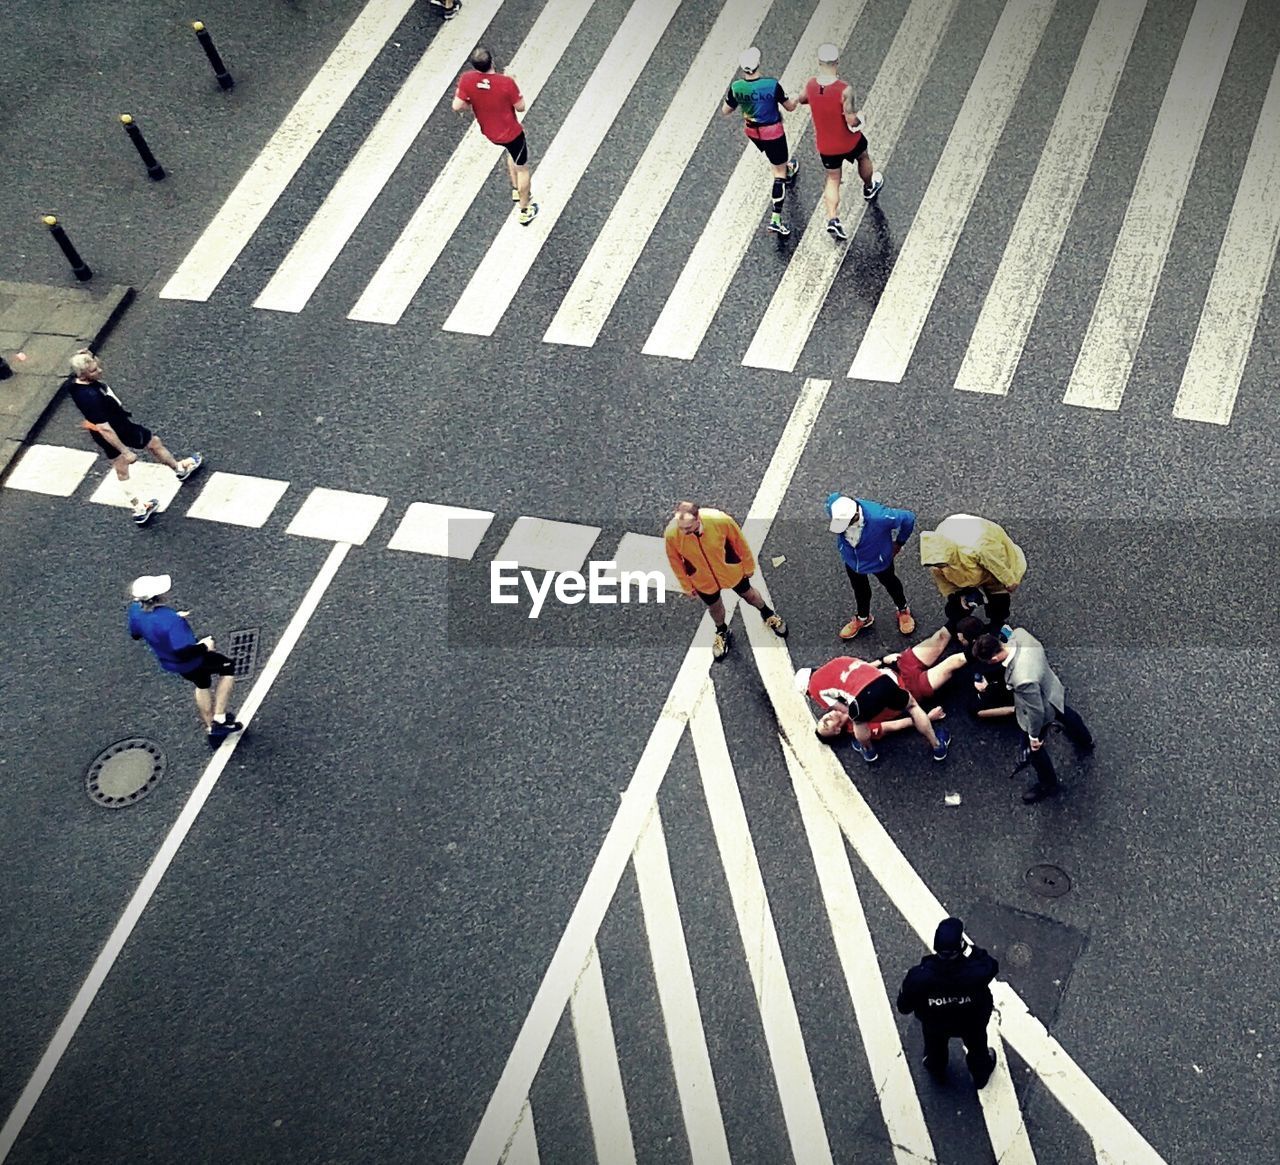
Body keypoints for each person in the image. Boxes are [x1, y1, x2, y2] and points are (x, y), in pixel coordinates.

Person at [64, 350, 202, 526]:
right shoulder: (91, 397)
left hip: (99, 433)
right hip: (119, 429)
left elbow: (100, 429)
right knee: (154, 443)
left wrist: (88, 354)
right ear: (83, 374)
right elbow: (105, 428)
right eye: (93, 370)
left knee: (120, 469)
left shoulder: (73, 384)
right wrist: (125, 451)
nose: (99, 371)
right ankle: (180, 469)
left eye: (96, 366)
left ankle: (139, 509)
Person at [973, 628, 1094, 803]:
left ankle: (1048, 784)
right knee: (1066, 713)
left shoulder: (1022, 679)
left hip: (1041, 706)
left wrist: (1034, 736)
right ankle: (1085, 741)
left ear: (994, 659)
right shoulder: (1021, 634)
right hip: (1050, 687)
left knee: (1033, 750)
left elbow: (1036, 711)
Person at [127, 575, 243, 746]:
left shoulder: (135, 611)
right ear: (158, 597)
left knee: (202, 684)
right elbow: (183, 651)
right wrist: (205, 646)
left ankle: (210, 726)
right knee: (228, 667)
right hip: (192, 661)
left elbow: (136, 634)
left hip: (172, 663)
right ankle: (219, 719)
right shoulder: (170, 620)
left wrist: (171, 621)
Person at [664, 500, 787, 660]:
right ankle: (721, 631)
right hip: (702, 579)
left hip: (730, 570)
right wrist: (686, 585)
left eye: (687, 528)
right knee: (715, 607)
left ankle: (768, 614)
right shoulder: (672, 534)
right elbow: (674, 560)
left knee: (749, 595)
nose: (682, 531)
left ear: (698, 519)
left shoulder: (720, 521)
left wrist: (749, 566)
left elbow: (739, 542)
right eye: (680, 526)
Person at [897, 917, 999, 1088]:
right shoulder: (976, 972)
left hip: (935, 1024)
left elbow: (903, 1007)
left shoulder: (918, 977)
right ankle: (981, 1075)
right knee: (977, 1048)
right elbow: (991, 965)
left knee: (935, 1047)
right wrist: (968, 950)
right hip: (972, 1022)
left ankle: (935, 1067)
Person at [795, 42, 882, 242]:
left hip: (826, 145)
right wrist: (862, 117)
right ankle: (869, 186)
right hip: (848, 141)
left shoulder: (811, 85)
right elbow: (851, 120)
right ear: (837, 62)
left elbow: (801, 99)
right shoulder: (844, 90)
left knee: (833, 178)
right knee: (863, 156)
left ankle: (833, 218)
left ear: (819, 62)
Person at [796, 655, 950, 762]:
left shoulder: (815, 690)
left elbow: (843, 709)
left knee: (858, 721)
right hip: (884, 681)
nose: (826, 717)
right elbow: (862, 668)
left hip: (869, 692)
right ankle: (937, 745)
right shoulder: (837, 661)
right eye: (826, 723)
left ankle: (868, 750)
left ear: (808, 692)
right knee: (912, 705)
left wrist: (857, 714)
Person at [452, 47, 538, 225]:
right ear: (492, 62)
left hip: (489, 132)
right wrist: (513, 85)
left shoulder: (467, 79)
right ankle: (525, 209)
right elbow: (521, 107)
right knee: (523, 167)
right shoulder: (506, 83)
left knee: (511, 154)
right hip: (511, 133)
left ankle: (516, 189)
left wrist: (474, 101)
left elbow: (457, 106)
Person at [721, 46, 799, 236]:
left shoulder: (737, 87)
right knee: (778, 172)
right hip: (773, 132)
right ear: (758, 64)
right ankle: (776, 218)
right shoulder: (771, 85)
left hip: (753, 132)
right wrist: (797, 98)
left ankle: (786, 168)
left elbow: (726, 110)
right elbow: (789, 107)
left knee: (776, 160)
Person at [825, 492, 916, 639]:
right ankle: (863, 617)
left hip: (878, 560)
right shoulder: (835, 504)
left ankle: (903, 609)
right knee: (860, 590)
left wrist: (899, 543)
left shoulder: (880, 517)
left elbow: (908, 518)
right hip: (852, 560)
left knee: (890, 583)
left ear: (855, 516)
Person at [919, 514, 1026, 630]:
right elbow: (944, 583)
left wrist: (1009, 581)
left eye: (941, 565)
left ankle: (997, 622)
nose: (939, 568)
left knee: (998, 598)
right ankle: (961, 624)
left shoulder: (979, 547)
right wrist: (956, 594)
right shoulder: (935, 557)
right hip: (966, 572)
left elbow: (997, 562)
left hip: (991, 565)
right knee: (957, 605)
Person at [872, 626, 968, 706]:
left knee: (941, 637)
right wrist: (928, 718)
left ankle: (966, 605)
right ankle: (981, 648)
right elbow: (889, 727)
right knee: (956, 661)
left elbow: (862, 665)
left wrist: (882, 661)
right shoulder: (859, 718)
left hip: (899, 667)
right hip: (909, 690)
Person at [954, 615, 1015, 720]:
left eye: (962, 639)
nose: (959, 640)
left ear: (973, 641)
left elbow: (1000, 680)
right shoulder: (999, 627)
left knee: (973, 709)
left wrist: (985, 688)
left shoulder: (992, 663)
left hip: (1010, 688)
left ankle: (1014, 709)